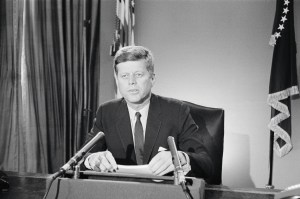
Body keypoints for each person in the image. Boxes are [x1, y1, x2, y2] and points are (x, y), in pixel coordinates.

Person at [84, 46, 213, 179]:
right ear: (117, 81)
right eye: (124, 76)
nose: (131, 82)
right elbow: (80, 159)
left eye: (138, 75)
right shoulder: (106, 112)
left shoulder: (177, 111)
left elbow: (206, 164)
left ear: (152, 79)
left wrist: (180, 157)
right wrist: (92, 159)